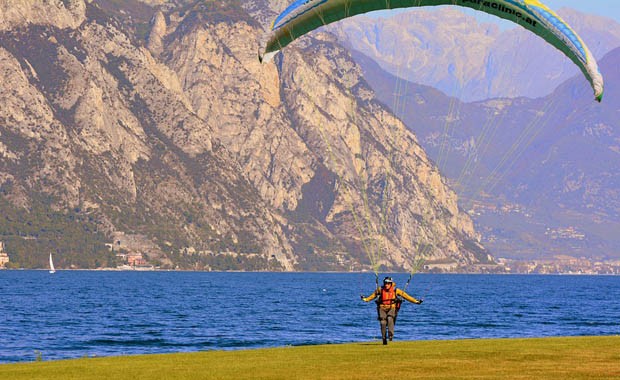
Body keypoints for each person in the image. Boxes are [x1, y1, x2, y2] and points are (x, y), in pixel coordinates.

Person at [361, 276, 422, 345]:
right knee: (383, 322)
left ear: (391, 284)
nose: (386, 285)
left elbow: (406, 296)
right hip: (382, 308)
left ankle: (390, 335)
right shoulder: (380, 290)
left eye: (388, 283)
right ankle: (384, 338)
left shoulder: (396, 290)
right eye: (385, 283)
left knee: (390, 318)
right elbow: (372, 296)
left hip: (392, 307)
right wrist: (365, 299)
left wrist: (416, 301)